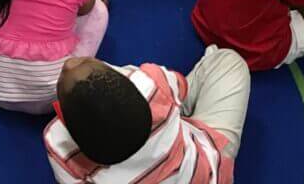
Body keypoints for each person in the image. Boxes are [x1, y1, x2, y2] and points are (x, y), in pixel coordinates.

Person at [43, 46, 250, 182]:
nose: (69, 63)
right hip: (206, 173)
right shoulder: (150, 81)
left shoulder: (58, 143)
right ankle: (172, 114)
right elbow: (182, 85)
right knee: (229, 61)